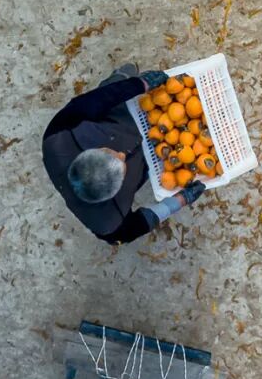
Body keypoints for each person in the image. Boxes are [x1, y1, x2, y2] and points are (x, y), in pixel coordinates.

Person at [42, 64, 205, 245]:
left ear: (89, 152)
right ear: (114, 193)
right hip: (149, 153)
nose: (121, 155)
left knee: (112, 89)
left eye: (110, 153)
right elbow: (137, 226)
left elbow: (95, 100)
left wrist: (139, 84)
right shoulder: (108, 225)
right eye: (122, 169)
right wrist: (180, 201)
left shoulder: (57, 137)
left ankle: (119, 76)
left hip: (114, 120)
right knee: (152, 156)